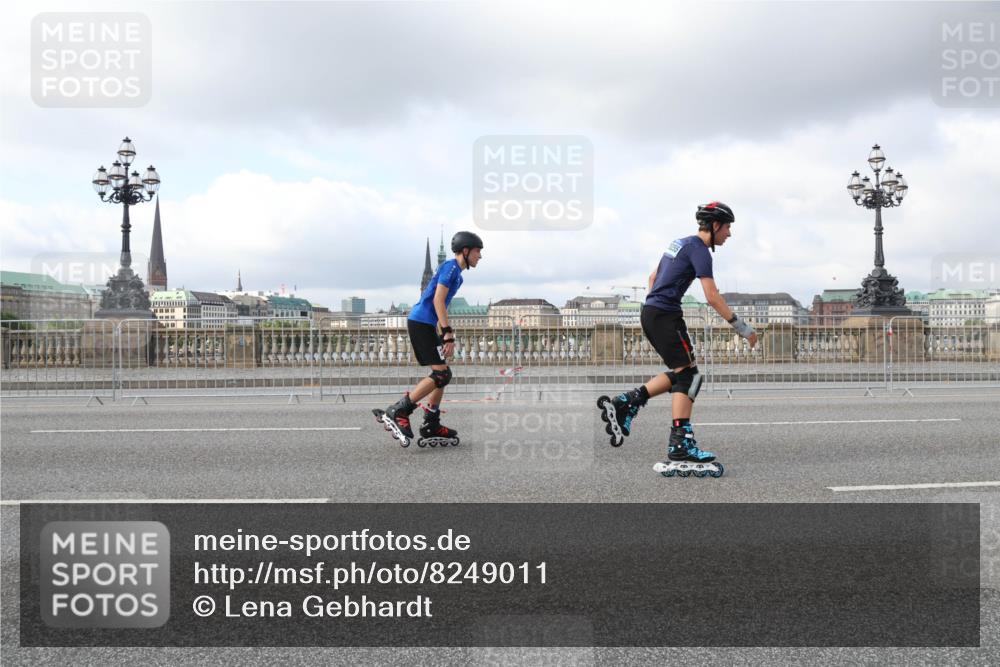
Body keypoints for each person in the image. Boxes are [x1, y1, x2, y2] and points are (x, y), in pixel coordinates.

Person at [598, 201, 757, 473]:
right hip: (665, 315)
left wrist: (657, 302)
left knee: (683, 373)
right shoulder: (701, 251)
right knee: (691, 377)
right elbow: (712, 296)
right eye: (728, 227)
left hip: (652, 312)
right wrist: (743, 328)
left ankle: (627, 402)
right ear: (715, 225)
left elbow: (653, 276)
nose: (729, 234)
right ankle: (680, 443)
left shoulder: (679, 243)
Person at [374, 231, 484, 447]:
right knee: (440, 375)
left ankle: (431, 422)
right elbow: (438, 300)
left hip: (426, 324)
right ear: (465, 251)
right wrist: (447, 334)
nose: (480, 256)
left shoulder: (457, 275)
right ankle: (399, 410)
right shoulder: (450, 267)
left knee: (444, 373)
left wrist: (441, 332)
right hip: (420, 322)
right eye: (478, 251)